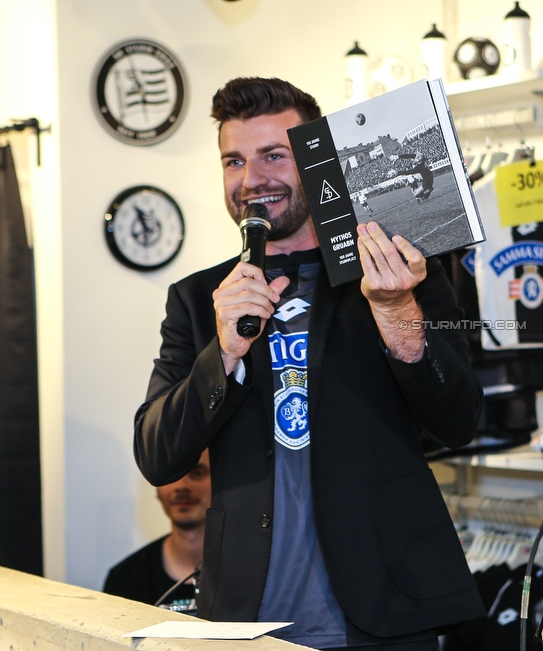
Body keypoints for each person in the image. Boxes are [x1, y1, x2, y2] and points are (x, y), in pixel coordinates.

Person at [133, 77, 484, 650]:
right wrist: (223, 350)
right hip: (248, 618)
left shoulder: (399, 272)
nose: (252, 180)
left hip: (384, 614)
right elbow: (155, 452)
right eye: (233, 161)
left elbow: (460, 420)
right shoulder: (200, 298)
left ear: (319, 165)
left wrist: (397, 314)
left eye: (275, 155)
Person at [103, 449, 210, 612]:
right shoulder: (125, 579)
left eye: (197, 473)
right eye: (171, 475)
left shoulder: (254, 574)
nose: (181, 486)